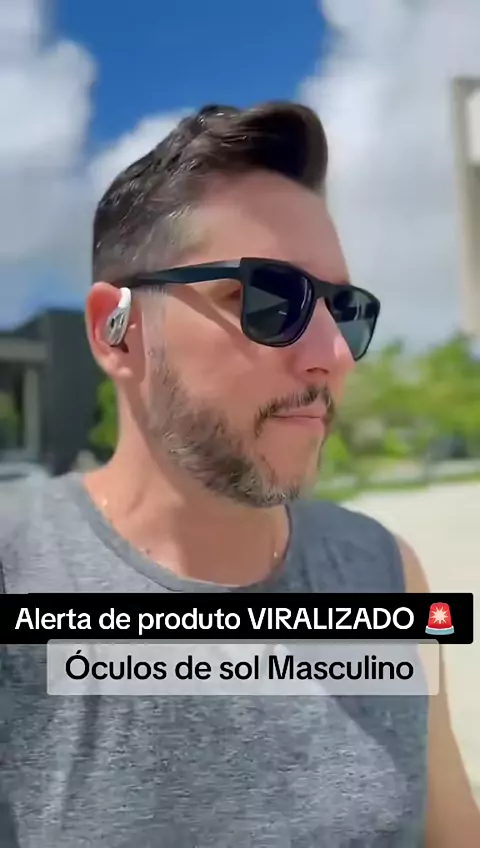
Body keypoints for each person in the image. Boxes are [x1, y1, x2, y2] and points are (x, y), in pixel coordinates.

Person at [0, 101, 478, 847]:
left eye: (344, 309)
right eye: (268, 300)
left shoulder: (388, 575)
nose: (333, 355)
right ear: (117, 333)